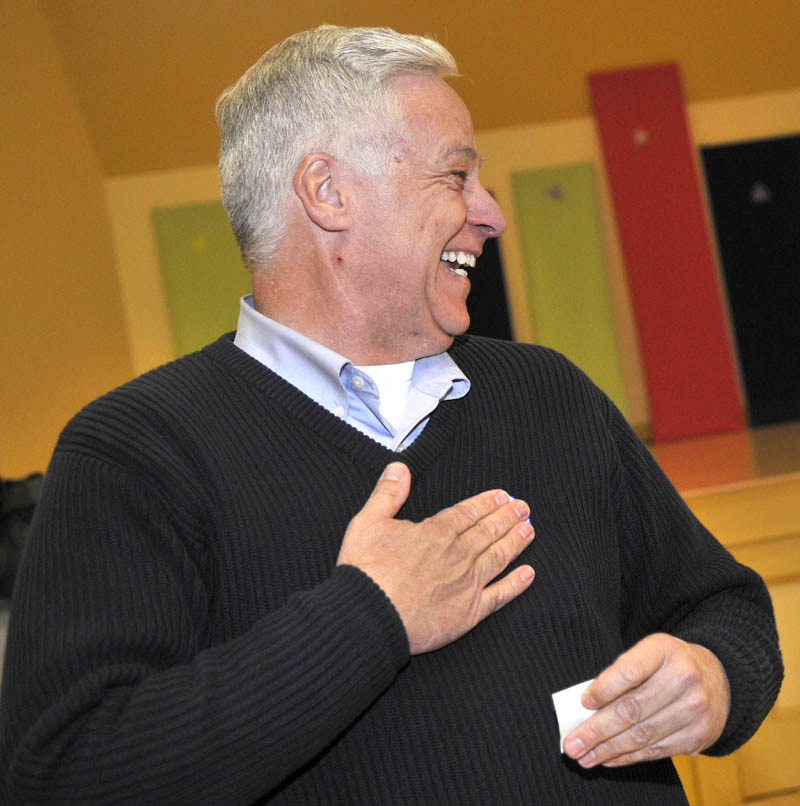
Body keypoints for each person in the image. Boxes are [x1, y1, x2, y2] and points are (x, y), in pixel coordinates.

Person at [0, 24, 782, 805]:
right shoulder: (135, 452)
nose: (492, 214)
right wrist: (368, 617)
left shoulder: (550, 393)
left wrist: (713, 678)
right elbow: (65, 773)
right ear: (328, 193)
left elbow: (725, 605)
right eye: (456, 175)